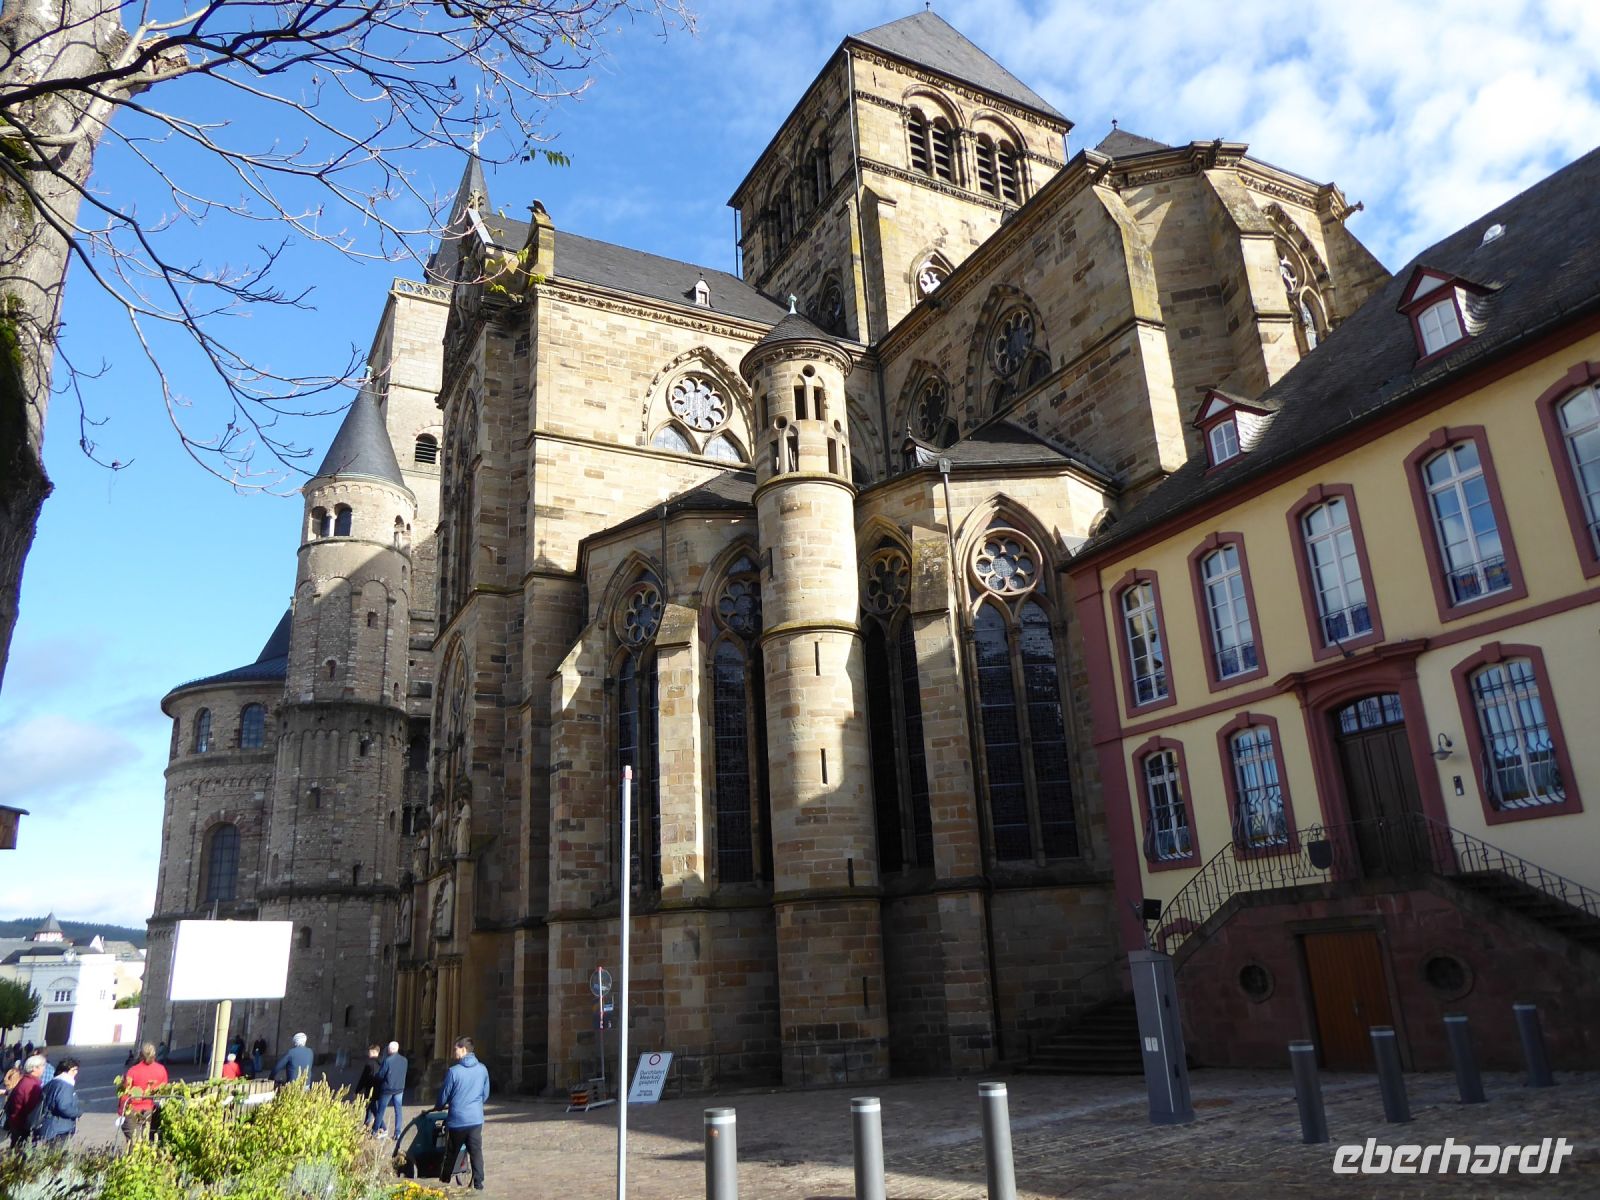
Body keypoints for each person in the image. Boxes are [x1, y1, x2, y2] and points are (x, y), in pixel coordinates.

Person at [431, 1036, 489, 1191]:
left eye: (455, 1048)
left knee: (451, 1152)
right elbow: (485, 1093)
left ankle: (444, 1180)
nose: (453, 1051)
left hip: (458, 1119)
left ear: (463, 1049)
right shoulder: (482, 1069)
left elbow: (444, 1095)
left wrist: (439, 1106)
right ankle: (478, 1183)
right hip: (476, 1119)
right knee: (476, 1151)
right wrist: (475, 1105)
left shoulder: (454, 1071)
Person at [119, 1043, 169, 1143]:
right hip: (152, 1110)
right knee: (149, 1141)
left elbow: (125, 1092)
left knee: (133, 1142)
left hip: (133, 1109)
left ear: (141, 1055)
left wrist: (121, 1111)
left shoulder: (133, 1071)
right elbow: (165, 1090)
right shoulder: (161, 1070)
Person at [34, 1057, 81, 1144]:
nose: (76, 1072)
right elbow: (63, 1106)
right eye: (74, 1070)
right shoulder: (65, 1085)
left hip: (49, 1126)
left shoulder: (52, 1083)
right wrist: (78, 1112)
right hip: (59, 1128)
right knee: (55, 1154)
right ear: (66, 1070)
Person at [4, 1056, 44, 1148]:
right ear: (34, 1068)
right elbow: (32, 1109)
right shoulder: (31, 1085)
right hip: (23, 1126)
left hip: (17, 1124)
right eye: (42, 1066)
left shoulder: (26, 1081)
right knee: (22, 1155)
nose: (43, 1068)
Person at [373, 1040, 408, 1138]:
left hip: (388, 1089)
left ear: (389, 1049)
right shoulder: (404, 1060)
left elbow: (381, 1075)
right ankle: (397, 1132)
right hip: (400, 1088)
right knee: (398, 1111)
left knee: (381, 1110)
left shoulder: (387, 1061)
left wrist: (376, 1077)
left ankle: (375, 1130)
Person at [354, 1045, 381, 1129]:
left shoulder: (369, 1063)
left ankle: (381, 1125)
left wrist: (357, 1090)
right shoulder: (382, 1062)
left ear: (373, 1052)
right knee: (370, 1107)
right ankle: (367, 1122)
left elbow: (363, 1078)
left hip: (370, 1088)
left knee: (371, 1107)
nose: (368, 1054)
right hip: (379, 1088)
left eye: (369, 1052)